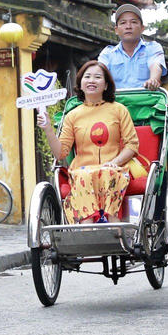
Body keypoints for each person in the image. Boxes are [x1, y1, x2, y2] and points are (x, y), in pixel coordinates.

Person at [36, 60, 141, 223]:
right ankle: (86, 228)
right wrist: (48, 129)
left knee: (108, 173)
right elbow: (61, 152)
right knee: (83, 175)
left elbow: (132, 145)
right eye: (87, 77)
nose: (92, 80)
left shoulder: (119, 110)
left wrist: (115, 162)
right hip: (82, 172)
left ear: (106, 85)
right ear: (81, 84)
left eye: (97, 77)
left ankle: (115, 226)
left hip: (113, 169)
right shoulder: (72, 115)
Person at [97, 3, 166, 90]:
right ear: (116, 30)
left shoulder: (153, 48)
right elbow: (98, 73)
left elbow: (155, 65)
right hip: (116, 101)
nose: (128, 26)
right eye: (123, 23)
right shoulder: (107, 53)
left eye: (133, 22)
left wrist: (153, 80)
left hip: (146, 100)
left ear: (142, 28)